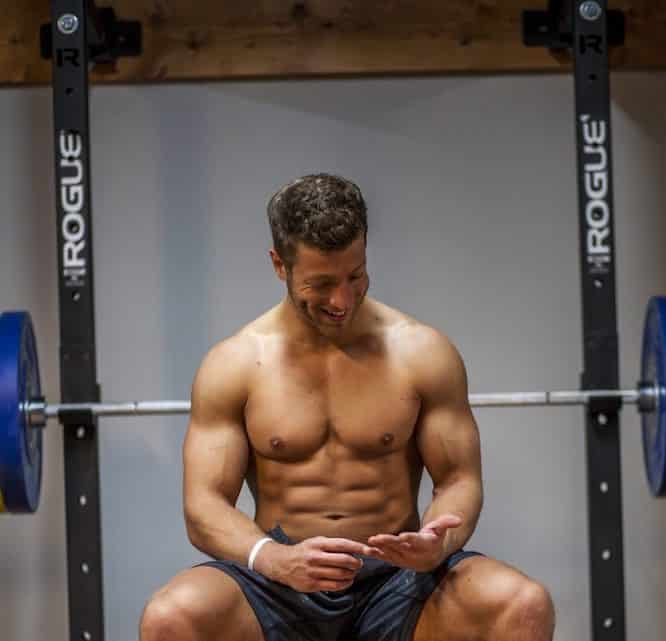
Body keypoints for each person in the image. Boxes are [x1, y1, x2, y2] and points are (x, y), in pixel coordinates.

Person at [139, 174, 555, 641]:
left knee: (523, 605)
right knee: (170, 619)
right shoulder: (234, 365)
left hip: (398, 580)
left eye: (355, 276)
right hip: (279, 581)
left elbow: (459, 479)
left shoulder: (422, 352)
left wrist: (440, 544)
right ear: (280, 264)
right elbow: (203, 506)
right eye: (321, 283)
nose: (342, 300)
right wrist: (274, 560)